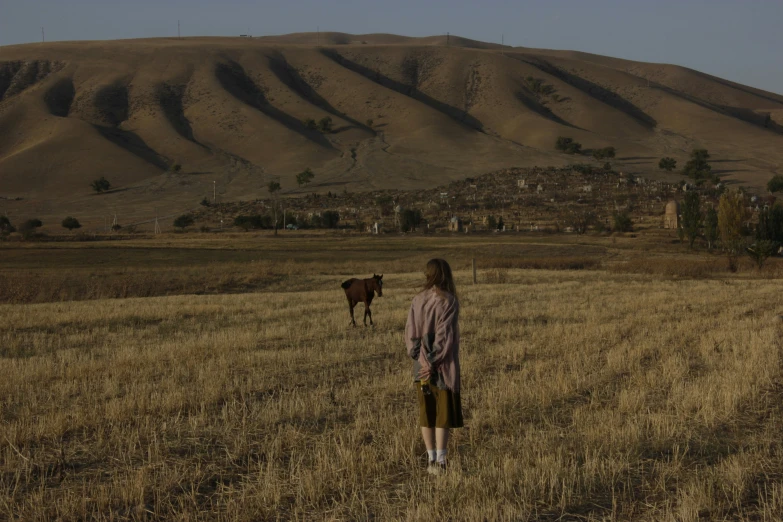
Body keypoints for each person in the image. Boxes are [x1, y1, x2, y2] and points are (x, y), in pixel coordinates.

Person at [405, 258, 463, 474]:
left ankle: (430, 460)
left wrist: (422, 361)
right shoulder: (449, 301)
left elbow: (410, 336)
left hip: (420, 366)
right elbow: (444, 337)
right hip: (443, 365)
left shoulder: (417, 300)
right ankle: (440, 462)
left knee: (426, 412)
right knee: (442, 414)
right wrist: (433, 361)